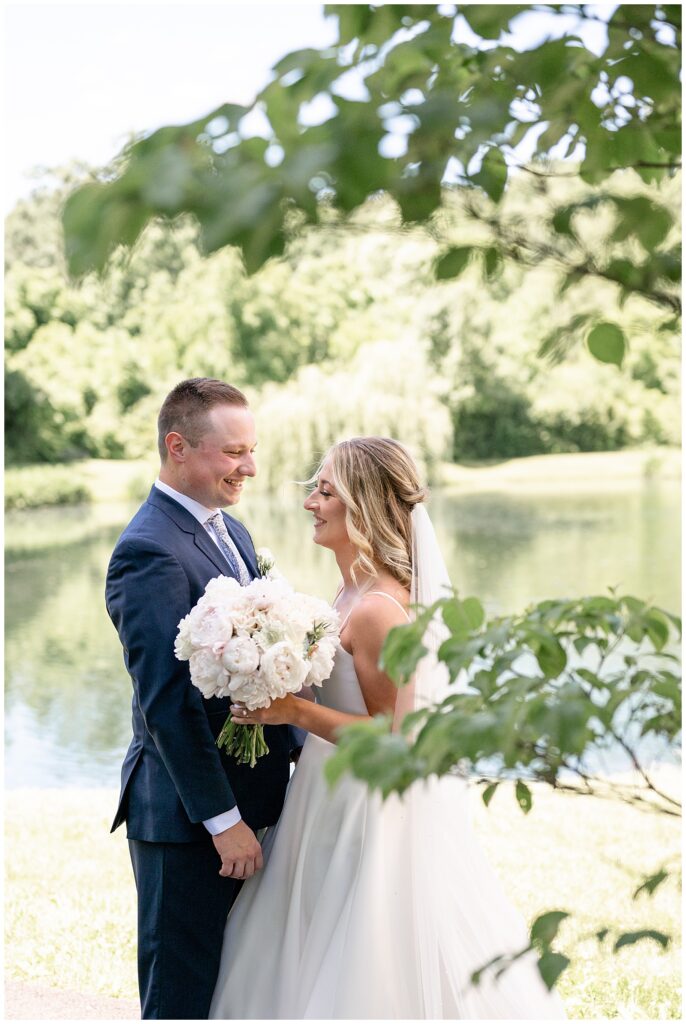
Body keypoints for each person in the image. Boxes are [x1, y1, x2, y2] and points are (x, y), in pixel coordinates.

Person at [209, 436, 567, 1019]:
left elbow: (401, 744)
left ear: (363, 504)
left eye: (325, 491)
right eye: (315, 489)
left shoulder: (379, 609)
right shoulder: (348, 591)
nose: (310, 504)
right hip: (321, 798)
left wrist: (295, 712)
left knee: (365, 953)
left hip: (365, 809)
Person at [106, 378, 301, 1020]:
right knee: (180, 999)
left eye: (252, 450)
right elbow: (167, 704)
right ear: (178, 447)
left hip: (254, 800)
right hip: (189, 825)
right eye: (232, 453)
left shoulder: (231, 531)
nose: (248, 467)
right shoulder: (147, 552)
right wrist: (223, 822)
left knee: (235, 991)